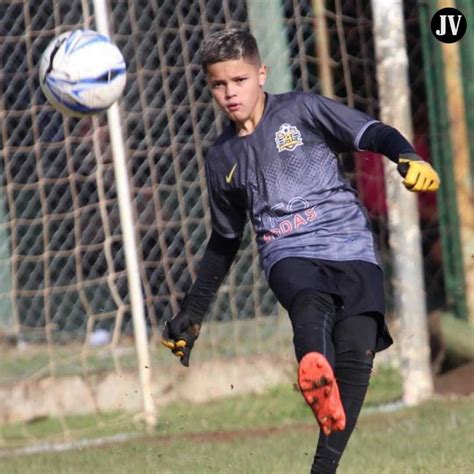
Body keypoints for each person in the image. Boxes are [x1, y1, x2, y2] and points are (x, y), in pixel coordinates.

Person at [161, 29, 440, 473]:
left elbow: (373, 132)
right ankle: (312, 364)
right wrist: (193, 312)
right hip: (286, 251)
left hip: (351, 244)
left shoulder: (302, 109)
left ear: (261, 74)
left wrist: (408, 157)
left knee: (357, 355)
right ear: (209, 86)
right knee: (309, 302)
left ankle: (322, 465)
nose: (230, 93)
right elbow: (225, 240)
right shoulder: (221, 157)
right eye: (218, 84)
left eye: (239, 80)